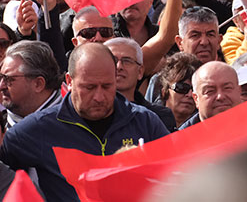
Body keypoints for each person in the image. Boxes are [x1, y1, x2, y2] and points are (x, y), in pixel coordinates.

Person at [0, 43, 169, 201]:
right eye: (89, 87)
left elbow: (177, 175)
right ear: (69, 81)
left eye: (107, 86)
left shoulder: (144, 122)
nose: (99, 97)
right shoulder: (36, 129)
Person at [106, 38, 176, 130]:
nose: (119, 67)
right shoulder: (89, 113)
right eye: (113, 60)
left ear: (140, 72)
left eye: (127, 61)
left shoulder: (160, 116)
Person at [0, 41, 62, 130]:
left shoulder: (74, 121)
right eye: (0, 77)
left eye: (9, 79)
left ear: (38, 84)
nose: (1, 86)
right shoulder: (3, 123)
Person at [180, 61, 243, 129]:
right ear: (196, 99)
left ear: (239, 91)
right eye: (210, 91)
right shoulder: (180, 138)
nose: (220, 96)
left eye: (227, 88)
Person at [159, 52, 202, 128]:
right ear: (164, 91)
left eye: (195, 89)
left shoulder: (205, 126)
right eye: (182, 87)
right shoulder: (148, 123)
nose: (189, 94)